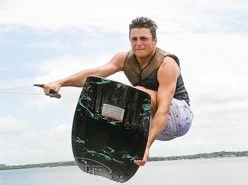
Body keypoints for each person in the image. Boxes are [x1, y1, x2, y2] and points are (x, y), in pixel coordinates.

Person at [43, 16, 193, 167]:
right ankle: (110, 146)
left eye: (144, 39)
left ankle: (137, 143)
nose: (138, 44)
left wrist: (146, 147)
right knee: (106, 95)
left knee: (137, 94)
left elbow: (163, 110)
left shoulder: (167, 64)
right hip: (154, 124)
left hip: (179, 118)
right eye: (134, 39)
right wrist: (60, 82)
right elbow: (94, 75)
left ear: (154, 41)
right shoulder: (124, 59)